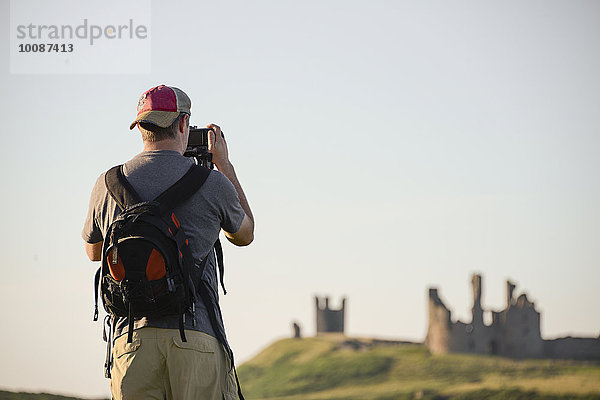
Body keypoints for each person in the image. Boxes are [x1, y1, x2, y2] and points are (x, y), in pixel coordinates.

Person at [82, 84, 254, 400]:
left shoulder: (107, 183)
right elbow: (244, 234)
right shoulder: (211, 183)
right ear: (183, 124)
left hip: (131, 340)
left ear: (141, 127)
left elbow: (95, 252)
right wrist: (224, 165)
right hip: (195, 335)